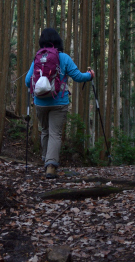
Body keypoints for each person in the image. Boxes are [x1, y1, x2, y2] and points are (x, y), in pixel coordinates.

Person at [25, 28, 94, 179]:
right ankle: (50, 166)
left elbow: (27, 81)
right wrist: (89, 75)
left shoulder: (37, 58)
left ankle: (45, 159)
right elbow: (77, 77)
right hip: (59, 102)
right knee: (55, 133)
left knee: (45, 130)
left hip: (40, 102)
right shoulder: (63, 58)